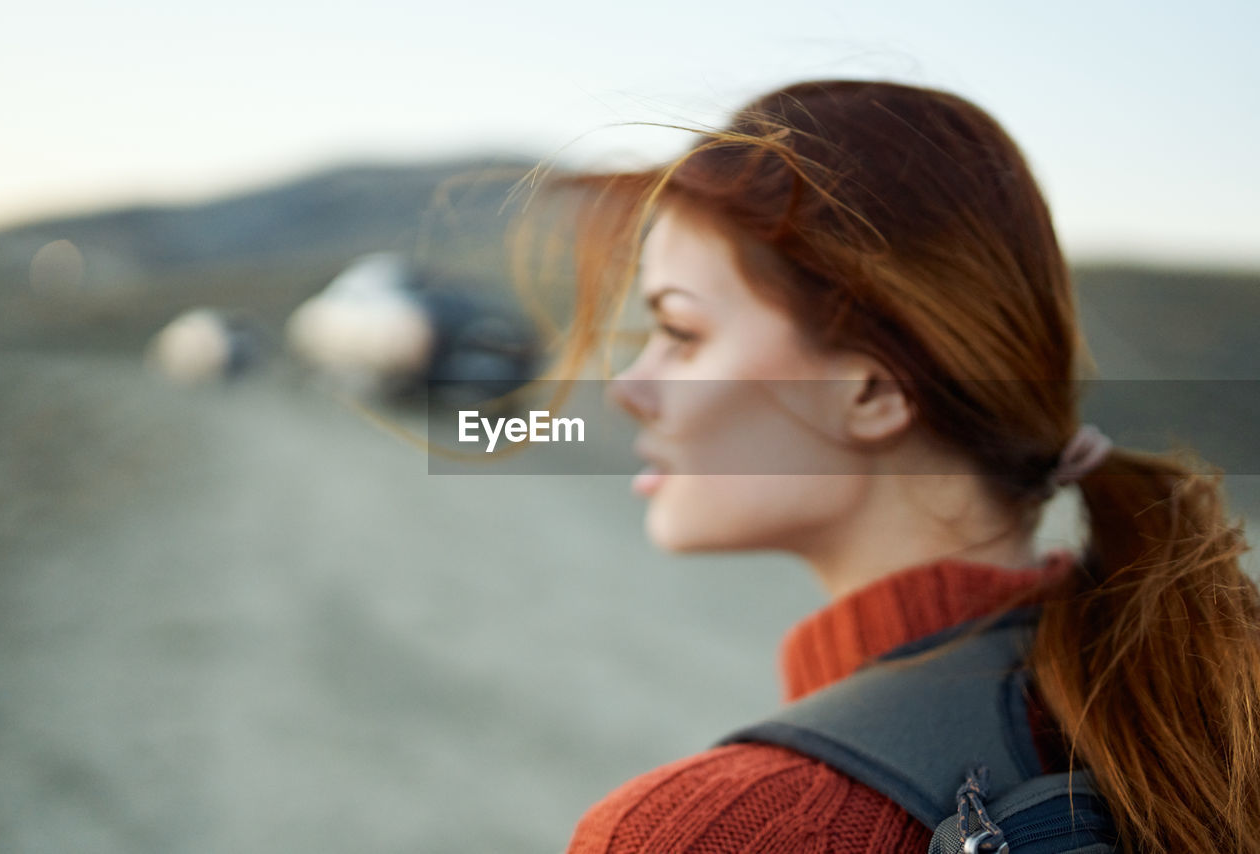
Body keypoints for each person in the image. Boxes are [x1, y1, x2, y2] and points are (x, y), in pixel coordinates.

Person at [515, 80, 1260, 853]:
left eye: (680, 331)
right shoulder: (1195, 719)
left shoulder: (710, 830)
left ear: (871, 391)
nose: (630, 390)